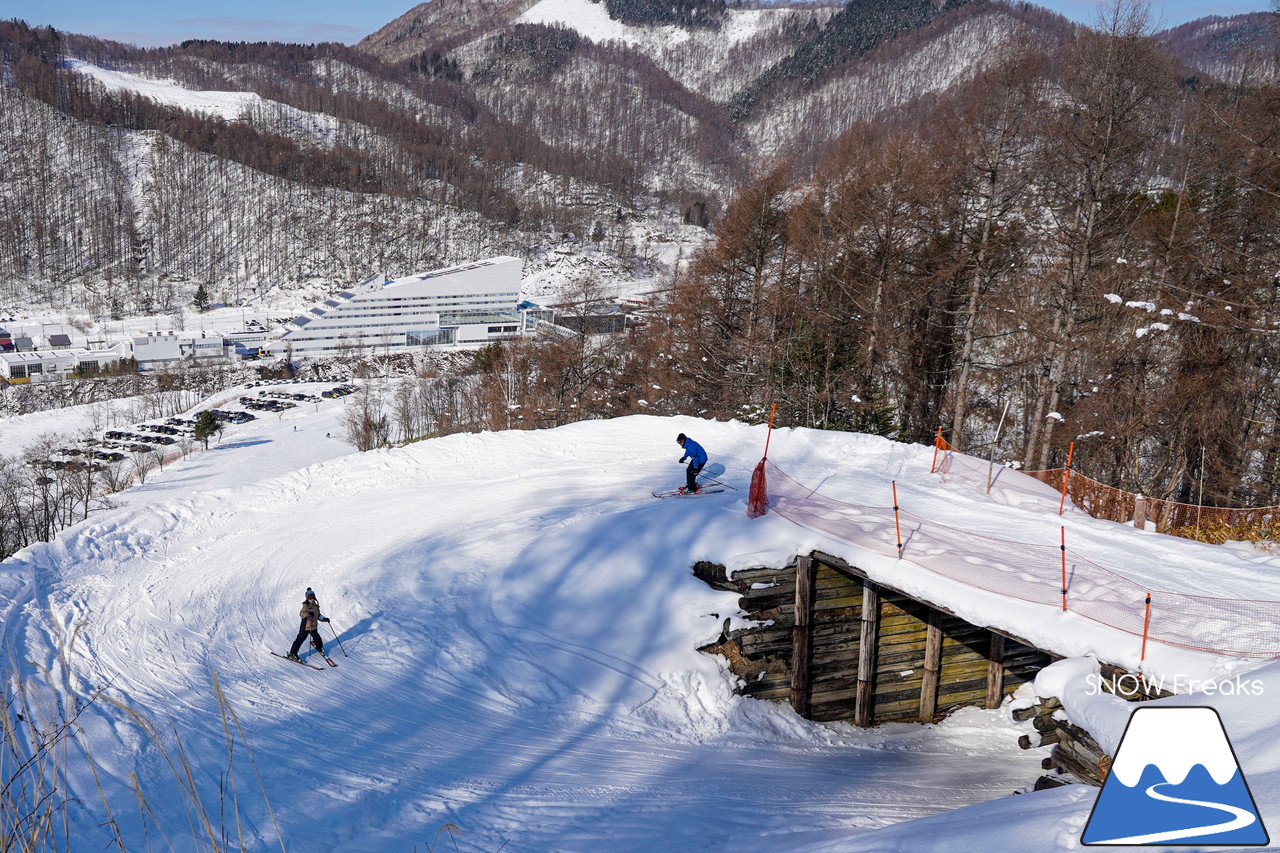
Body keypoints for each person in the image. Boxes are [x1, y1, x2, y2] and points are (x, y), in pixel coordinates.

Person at [286, 587, 329, 660]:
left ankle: (319, 647)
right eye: (309, 597)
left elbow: (318, 615)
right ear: (307, 598)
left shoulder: (316, 606)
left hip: (313, 626)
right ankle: (292, 654)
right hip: (305, 626)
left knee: (317, 638)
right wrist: (308, 614)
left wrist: (324, 619)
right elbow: (301, 614)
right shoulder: (305, 606)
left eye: (312, 597)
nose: (311, 599)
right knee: (300, 639)